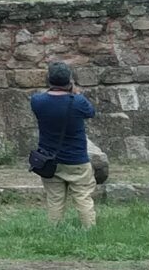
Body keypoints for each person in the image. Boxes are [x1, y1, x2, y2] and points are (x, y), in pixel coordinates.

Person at [29, 62, 100, 228]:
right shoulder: (78, 101)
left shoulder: (37, 101)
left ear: (49, 80)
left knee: (54, 199)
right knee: (83, 197)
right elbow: (91, 112)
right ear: (70, 81)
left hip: (50, 161)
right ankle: (89, 230)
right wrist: (74, 91)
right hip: (77, 160)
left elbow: (46, 101)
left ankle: (55, 230)